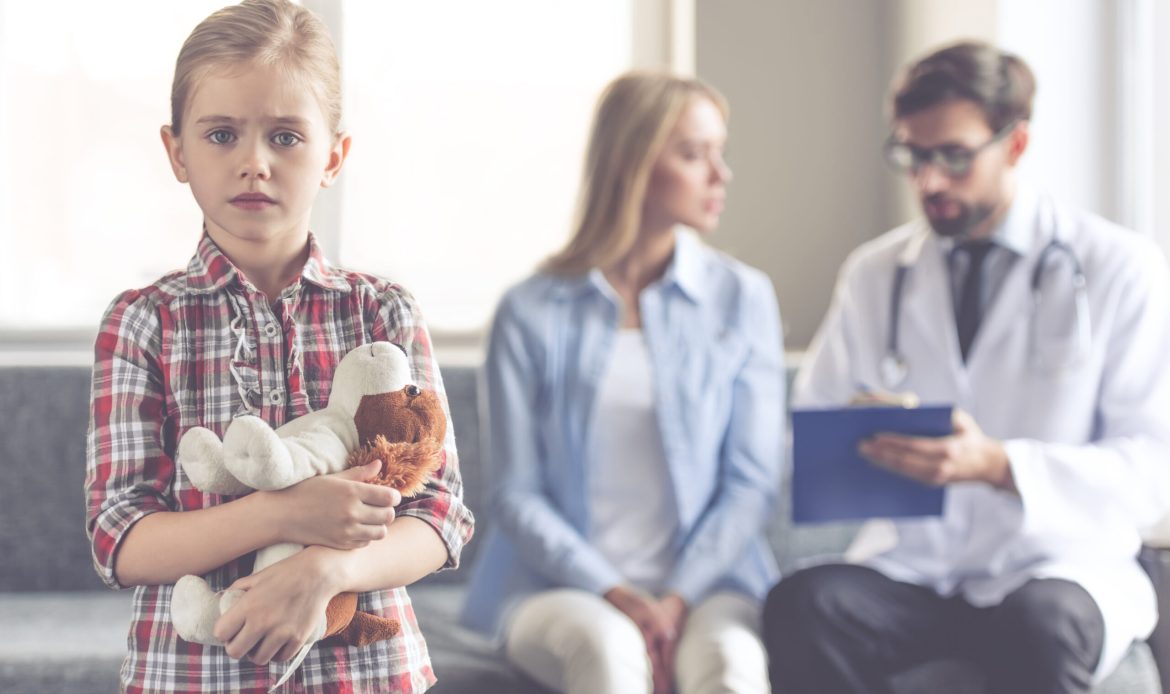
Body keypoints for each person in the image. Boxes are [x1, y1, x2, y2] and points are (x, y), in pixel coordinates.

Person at [83, 1, 474, 691]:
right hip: (190, 676)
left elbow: (439, 514)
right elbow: (122, 539)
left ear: (335, 156)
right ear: (177, 151)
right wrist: (284, 513)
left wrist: (327, 569)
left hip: (368, 674)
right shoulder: (142, 322)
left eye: (286, 137)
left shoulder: (383, 312)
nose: (254, 163)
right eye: (223, 134)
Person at [762, 40, 1170, 694]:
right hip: (920, 572)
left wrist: (999, 465)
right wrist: (858, 443)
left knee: (1042, 622)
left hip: (1055, 568)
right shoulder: (876, 275)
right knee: (804, 604)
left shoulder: (1120, 267)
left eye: (953, 157)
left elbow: (1154, 469)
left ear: (1016, 144)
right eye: (913, 156)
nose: (930, 181)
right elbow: (808, 436)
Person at [461, 71, 784, 694]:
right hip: (558, 590)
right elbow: (516, 494)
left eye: (720, 152)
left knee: (731, 669)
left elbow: (751, 484)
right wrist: (616, 592)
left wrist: (676, 598)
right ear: (632, 164)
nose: (721, 175)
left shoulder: (742, 299)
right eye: (694, 155)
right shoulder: (528, 312)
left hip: (708, 588)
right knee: (609, 654)